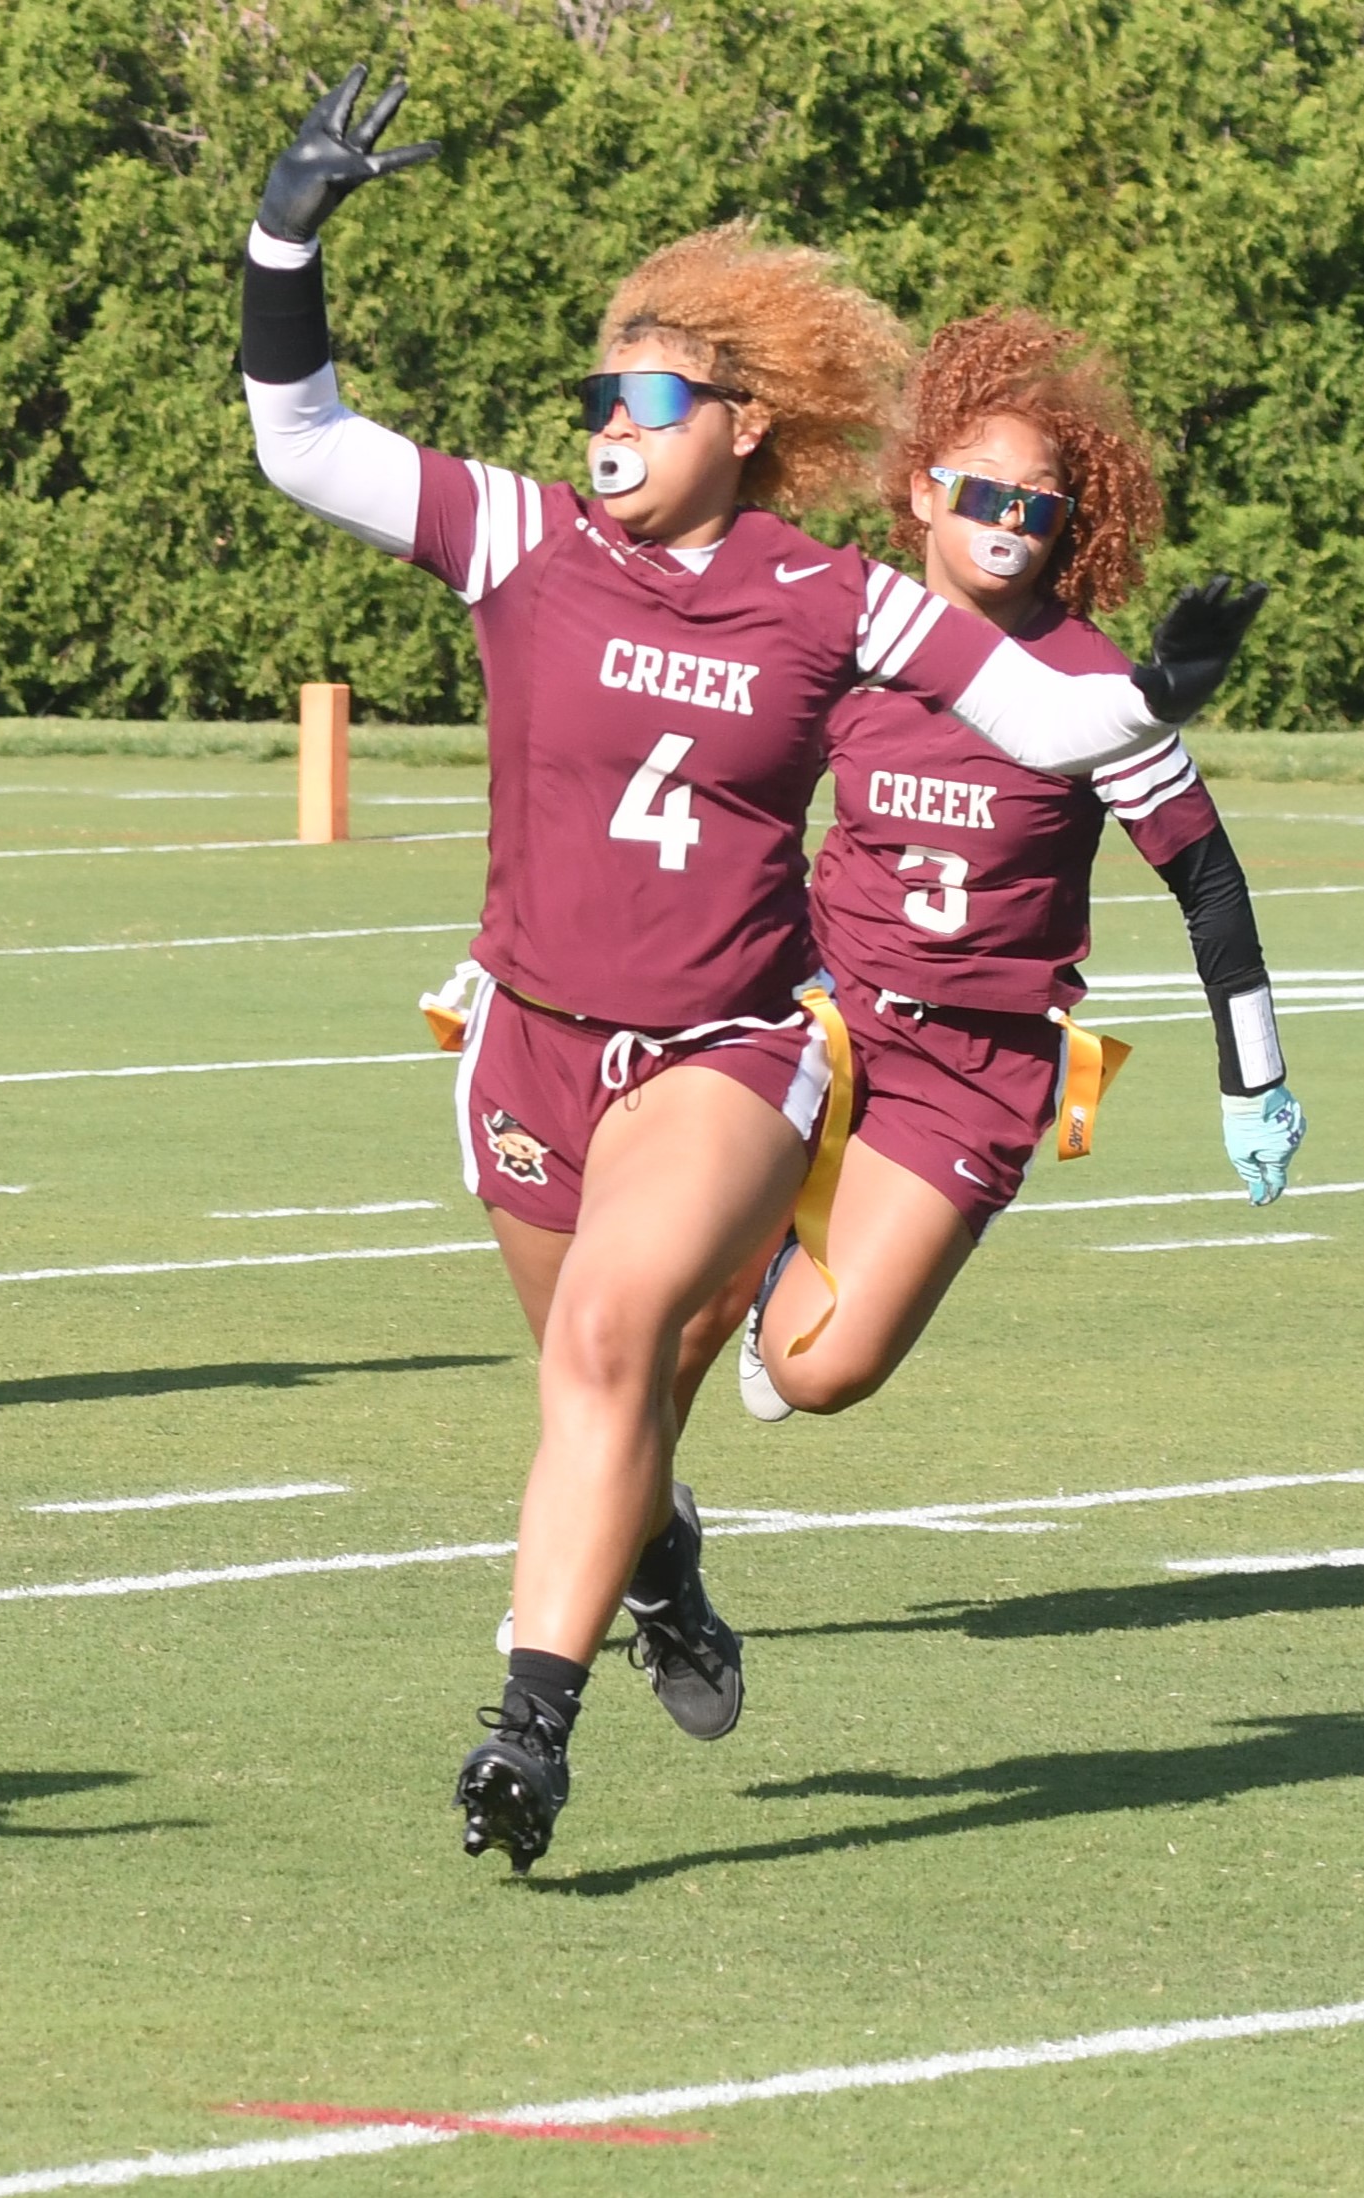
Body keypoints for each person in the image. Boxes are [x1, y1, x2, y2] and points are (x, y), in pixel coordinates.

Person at [236, 68, 1265, 1870]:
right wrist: (283, 239)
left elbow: (1043, 708)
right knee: (592, 1380)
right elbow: (300, 440)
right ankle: (664, 1563)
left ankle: (523, 1734)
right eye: (595, 391)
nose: (603, 423)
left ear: (738, 419)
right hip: (527, 1039)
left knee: (623, 1343)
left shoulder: (828, 594)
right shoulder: (519, 538)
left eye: (639, 394)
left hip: (717, 1048)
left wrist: (1155, 695)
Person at [737, 313, 1304, 1421]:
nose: (1010, 517)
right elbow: (736, 810)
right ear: (921, 491)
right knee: (659, 1279)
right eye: (985, 488)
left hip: (975, 1063)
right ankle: (653, 1551)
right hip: (818, 1016)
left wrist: (1256, 1078)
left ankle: (789, 1283)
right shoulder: (848, 634)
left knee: (813, 1370)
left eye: (1037, 502)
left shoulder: (1095, 688)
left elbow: (1208, 882)